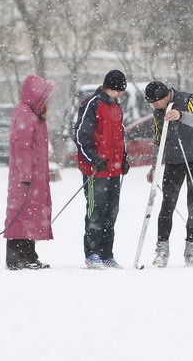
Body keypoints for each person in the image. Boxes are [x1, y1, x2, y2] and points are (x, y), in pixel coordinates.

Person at [144, 81, 193, 267]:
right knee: (167, 204)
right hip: (174, 159)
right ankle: (162, 250)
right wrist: (154, 166)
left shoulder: (189, 98)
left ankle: (191, 251)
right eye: (152, 103)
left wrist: (181, 115)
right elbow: (158, 139)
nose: (155, 106)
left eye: (156, 102)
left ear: (166, 96)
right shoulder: (158, 113)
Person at [74, 69, 130, 269]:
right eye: (117, 90)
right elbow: (81, 136)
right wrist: (93, 159)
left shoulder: (116, 106)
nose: (119, 94)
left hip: (114, 169)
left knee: (111, 212)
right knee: (95, 211)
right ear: (108, 87)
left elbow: (120, 135)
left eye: (121, 91)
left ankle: (107, 254)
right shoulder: (92, 104)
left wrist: (123, 158)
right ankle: (92, 253)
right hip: (96, 170)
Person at [4, 74, 55, 270]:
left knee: (31, 216)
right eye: (44, 97)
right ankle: (17, 258)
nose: (47, 101)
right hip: (26, 177)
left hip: (34, 176)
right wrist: (25, 175)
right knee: (21, 215)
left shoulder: (32, 113)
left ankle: (29, 256)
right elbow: (21, 146)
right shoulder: (25, 113)